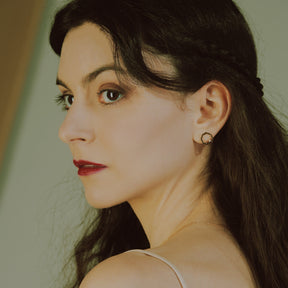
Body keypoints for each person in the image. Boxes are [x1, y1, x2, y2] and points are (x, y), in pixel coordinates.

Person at [49, 0, 288, 287]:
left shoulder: (129, 280)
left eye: (110, 93)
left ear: (207, 110)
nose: (68, 130)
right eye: (69, 98)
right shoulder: (252, 267)